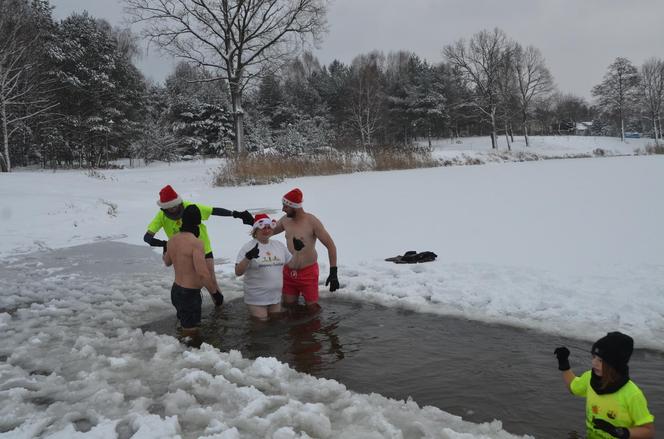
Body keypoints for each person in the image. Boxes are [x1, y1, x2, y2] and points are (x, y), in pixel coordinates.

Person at [144, 184, 254, 295]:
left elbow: (213, 211)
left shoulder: (190, 207)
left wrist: (236, 214)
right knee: (188, 282)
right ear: (164, 208)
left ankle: (219, 307)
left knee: (211, 281)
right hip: (182, 252)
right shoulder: (161, 216)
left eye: (175, 206)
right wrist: (165, 244)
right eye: (169, 208)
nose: (173, 209)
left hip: (203, 248)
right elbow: (147, 237)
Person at [554, 332, 655, 439]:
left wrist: (620, 432)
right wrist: (564, 363)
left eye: (601, 360)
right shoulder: (589, 378)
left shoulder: (632, 394)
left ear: (616, 364)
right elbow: (573, 388)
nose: (594, 363)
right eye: (593, 357)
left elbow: (648, 431)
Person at [272, 188, 339, 312]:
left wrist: (333, 272)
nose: (282, 209)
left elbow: (331, 246)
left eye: (285, 206)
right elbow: (268, 231)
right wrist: (253, 223)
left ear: (294, 207)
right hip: (288, 273)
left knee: (312, 309)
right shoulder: (285, 220)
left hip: (308, 274)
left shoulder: (312, 222)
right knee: (289, 308)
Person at [163, 205, 223, 336]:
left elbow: (167, 262)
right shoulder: (196, 243)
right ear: (198, 222)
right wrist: (215, 293)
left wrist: (165, 250)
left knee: (184, 327)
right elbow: (202, 273)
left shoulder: (172, 240)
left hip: (176, 291)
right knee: (192, 334)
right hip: (189, 294)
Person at [234, 214, 292, 321]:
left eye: (269, 227)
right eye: (263, 228)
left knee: (276, 324)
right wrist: (248, 257)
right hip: (256, 298)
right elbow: (238, 272)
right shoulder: (248, 247)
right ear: (255, 230)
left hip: (275, 297)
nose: (266, 230)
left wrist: (298, 250)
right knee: (261, 326)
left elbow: (291, 263)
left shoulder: (279, 245)